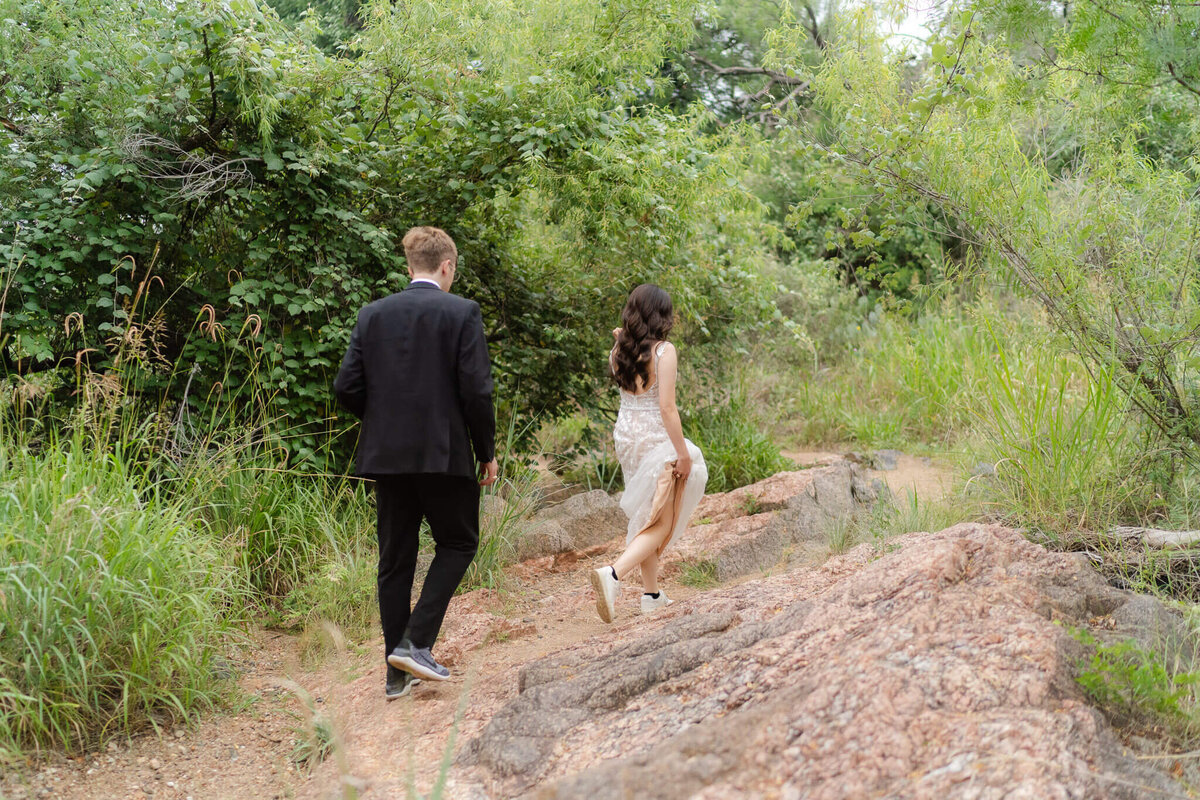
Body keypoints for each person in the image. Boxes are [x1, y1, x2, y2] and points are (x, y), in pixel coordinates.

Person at [334, 226, 498, 701]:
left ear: (410, 267)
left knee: (395, 560)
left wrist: (384, 422)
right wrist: (486, 452)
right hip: (444, 455)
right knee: (459, 541)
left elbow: (346, 387)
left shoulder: (372, 314)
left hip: (388, 457)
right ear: (447, 266)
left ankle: (396, 676)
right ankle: (415, 643)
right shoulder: (462, 312)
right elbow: (477, 391)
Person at [590, 284, 707, 623]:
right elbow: (667, 408)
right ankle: (613, 574)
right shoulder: (664, 352)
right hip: (655, 437)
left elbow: (627, 352)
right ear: (661, 315)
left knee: (645, 514)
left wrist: (620, 338)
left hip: (627, 436)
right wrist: (683, 454)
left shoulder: (617, 352)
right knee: (660, 521)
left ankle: (652, 594)